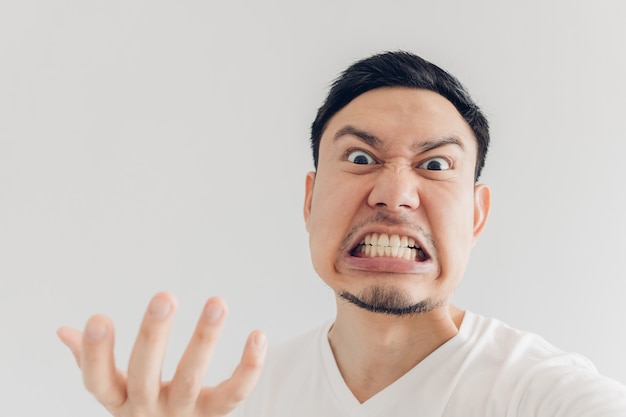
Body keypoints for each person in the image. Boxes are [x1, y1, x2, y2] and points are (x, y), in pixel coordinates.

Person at [57, 51, 626, 416]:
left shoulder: (544, 396)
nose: (394, 193)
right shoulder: (236, 401)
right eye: (359, 156)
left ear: (476, 216)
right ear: (309, 200)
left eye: (434, 166)